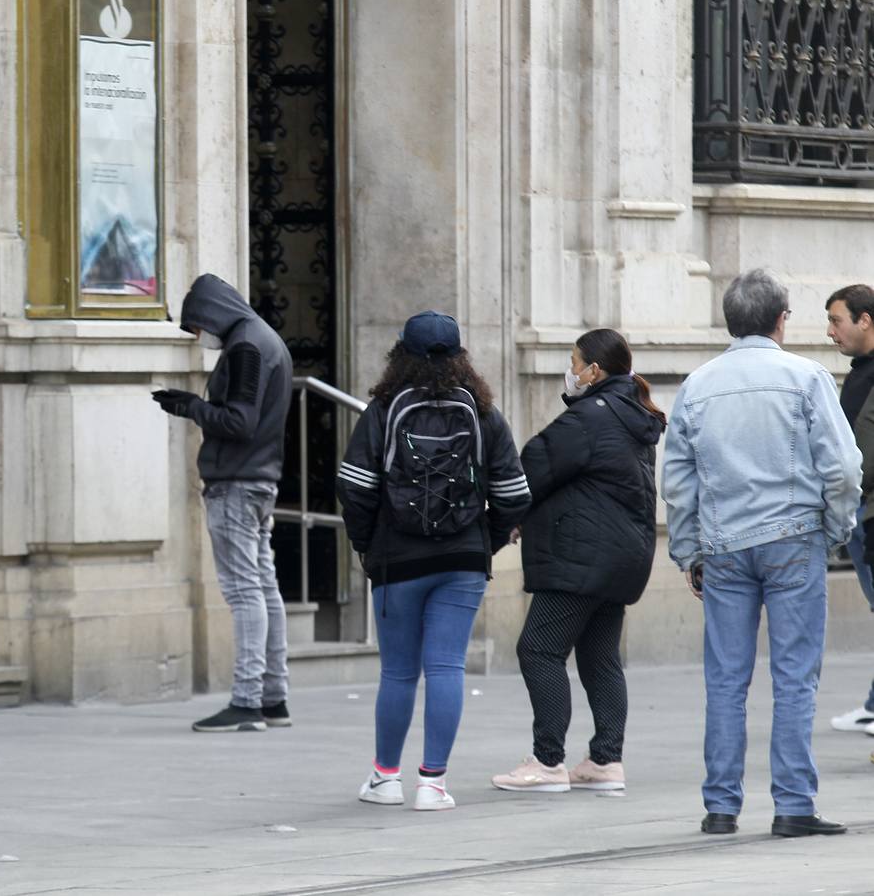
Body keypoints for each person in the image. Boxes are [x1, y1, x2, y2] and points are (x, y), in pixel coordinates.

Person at [663, 268, 860, 838]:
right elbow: (843, 465)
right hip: (794, 537)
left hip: (724, 543)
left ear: (730, 322)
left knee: (725, 678)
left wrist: (687, 549)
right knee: (795, 676)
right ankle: (794, 803)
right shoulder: (805, 377)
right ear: (781, 320)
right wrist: (836, 527)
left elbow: (677, 479)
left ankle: (721, 805)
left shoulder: (698, 385)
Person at [338, 311, 530, 811]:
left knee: (399, 673)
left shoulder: (382, 408)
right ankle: (433, 783)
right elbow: (514, 493)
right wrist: (481, 543)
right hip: (462, 559)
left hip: (396, 559)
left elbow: (354, 489)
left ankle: (385, 779)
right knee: (446, 667)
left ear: (400, 354)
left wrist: (367, 545)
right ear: (461, 357)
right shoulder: (483, 412)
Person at [492, 329, 664, 795]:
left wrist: (501, 517)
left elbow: (532, 467)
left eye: (574, 362)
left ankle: (548, 762)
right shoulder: (632, 414)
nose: (570, 371)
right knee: (600, 656)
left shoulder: (590, 418)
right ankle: (606, 760)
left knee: (539, 649)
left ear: (594, 371)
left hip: (581, 558)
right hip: (623, 557)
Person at [153, 274, 294, 732]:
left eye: (197, 327)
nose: (200, 338)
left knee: (244, 590)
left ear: (211, 314)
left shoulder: (247, 345)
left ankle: (248, 700)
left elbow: (239, 421)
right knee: (264, 586)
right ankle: (273, 697)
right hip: (259, 479)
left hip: (236, 482)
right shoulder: (266, 339)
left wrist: (190, 406)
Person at [822, 284, 874, 738]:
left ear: (865, 320)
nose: (830, 332)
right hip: (860, 512)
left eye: (837, 321)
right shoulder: (859, 371)